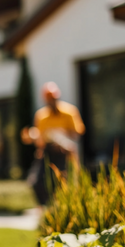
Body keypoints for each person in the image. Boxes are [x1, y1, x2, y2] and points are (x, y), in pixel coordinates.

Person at [21, 82, 85, 211]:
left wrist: (60, 134)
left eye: (54, 98)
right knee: (36, 182)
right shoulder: (41, 115)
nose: (52, 101)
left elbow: (78, 132)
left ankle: (63, 209)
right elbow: (39, 136)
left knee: (63, 183)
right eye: (49, 99)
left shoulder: (69, 111)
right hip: (47, 152)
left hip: (64, 152)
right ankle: (46, 207)